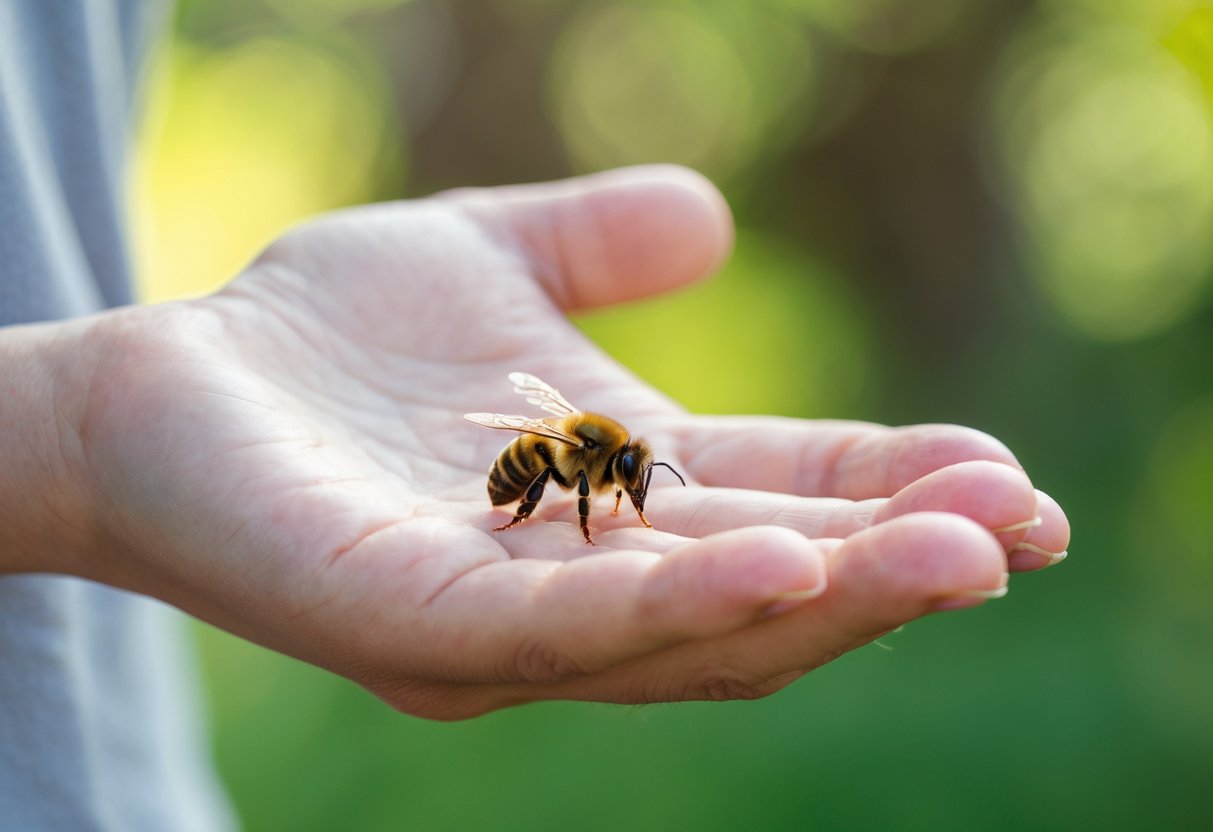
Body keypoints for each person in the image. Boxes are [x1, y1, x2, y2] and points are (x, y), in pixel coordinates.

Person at [0, 2, 1070, 828]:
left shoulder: (601, 454)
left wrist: (72, 431)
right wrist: (57, 434)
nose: (628, 487)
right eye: (629, 480)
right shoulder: (575, 464)